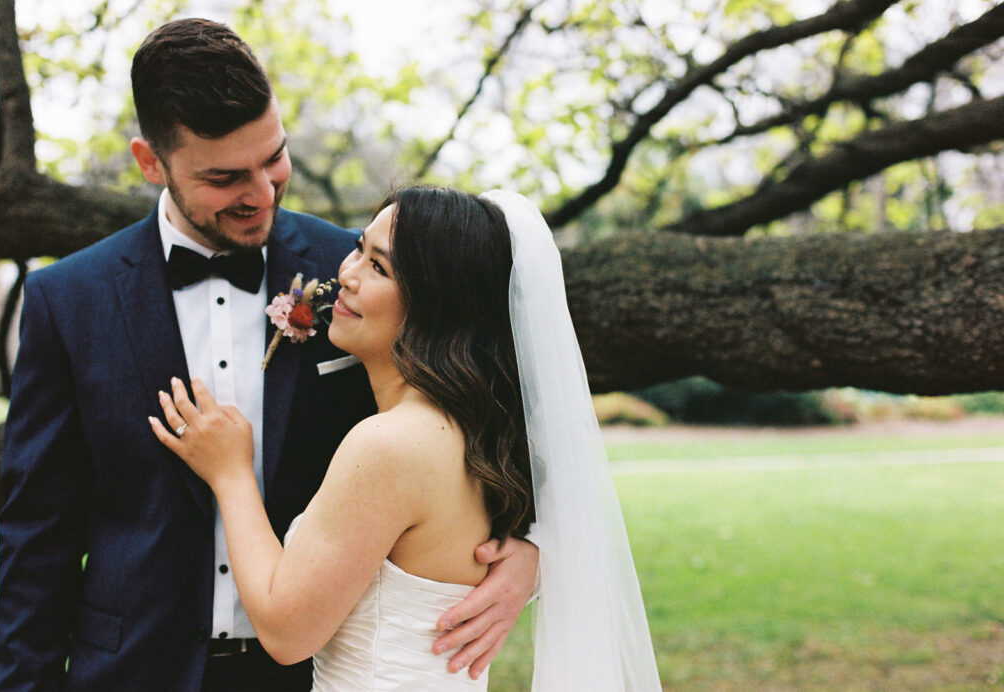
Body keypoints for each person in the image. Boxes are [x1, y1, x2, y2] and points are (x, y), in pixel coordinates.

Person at [0, 19, 537, 692]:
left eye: (272, 158)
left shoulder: (362, 278)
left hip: (309, 672)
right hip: (132, 672)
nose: (262, 193)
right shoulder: (66, 300)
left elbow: (493, 417)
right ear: (150, 162)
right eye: (225, 177)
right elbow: (36, 540)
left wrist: (528, 555)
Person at [150, 186, 662, 691]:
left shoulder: (391, 445)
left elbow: (287, 634)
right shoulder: (477, 430)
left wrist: (231, 472)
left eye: (379, 267)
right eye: (358, 249)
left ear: (436, 305)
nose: (344, 275)